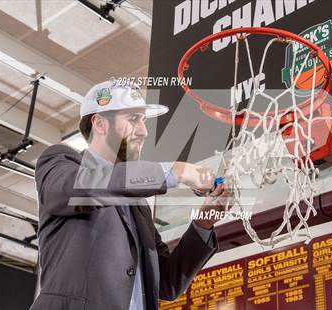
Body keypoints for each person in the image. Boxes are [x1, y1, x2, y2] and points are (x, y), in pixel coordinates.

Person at [30, 81, 231, 310]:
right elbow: (78, 188)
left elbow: (167, 284)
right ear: (100, 123)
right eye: (134, 119)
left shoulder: (138, 205)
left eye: (143, 121)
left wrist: (204, 223)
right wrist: (178, 171)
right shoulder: (60, 162)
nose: (144, 131)